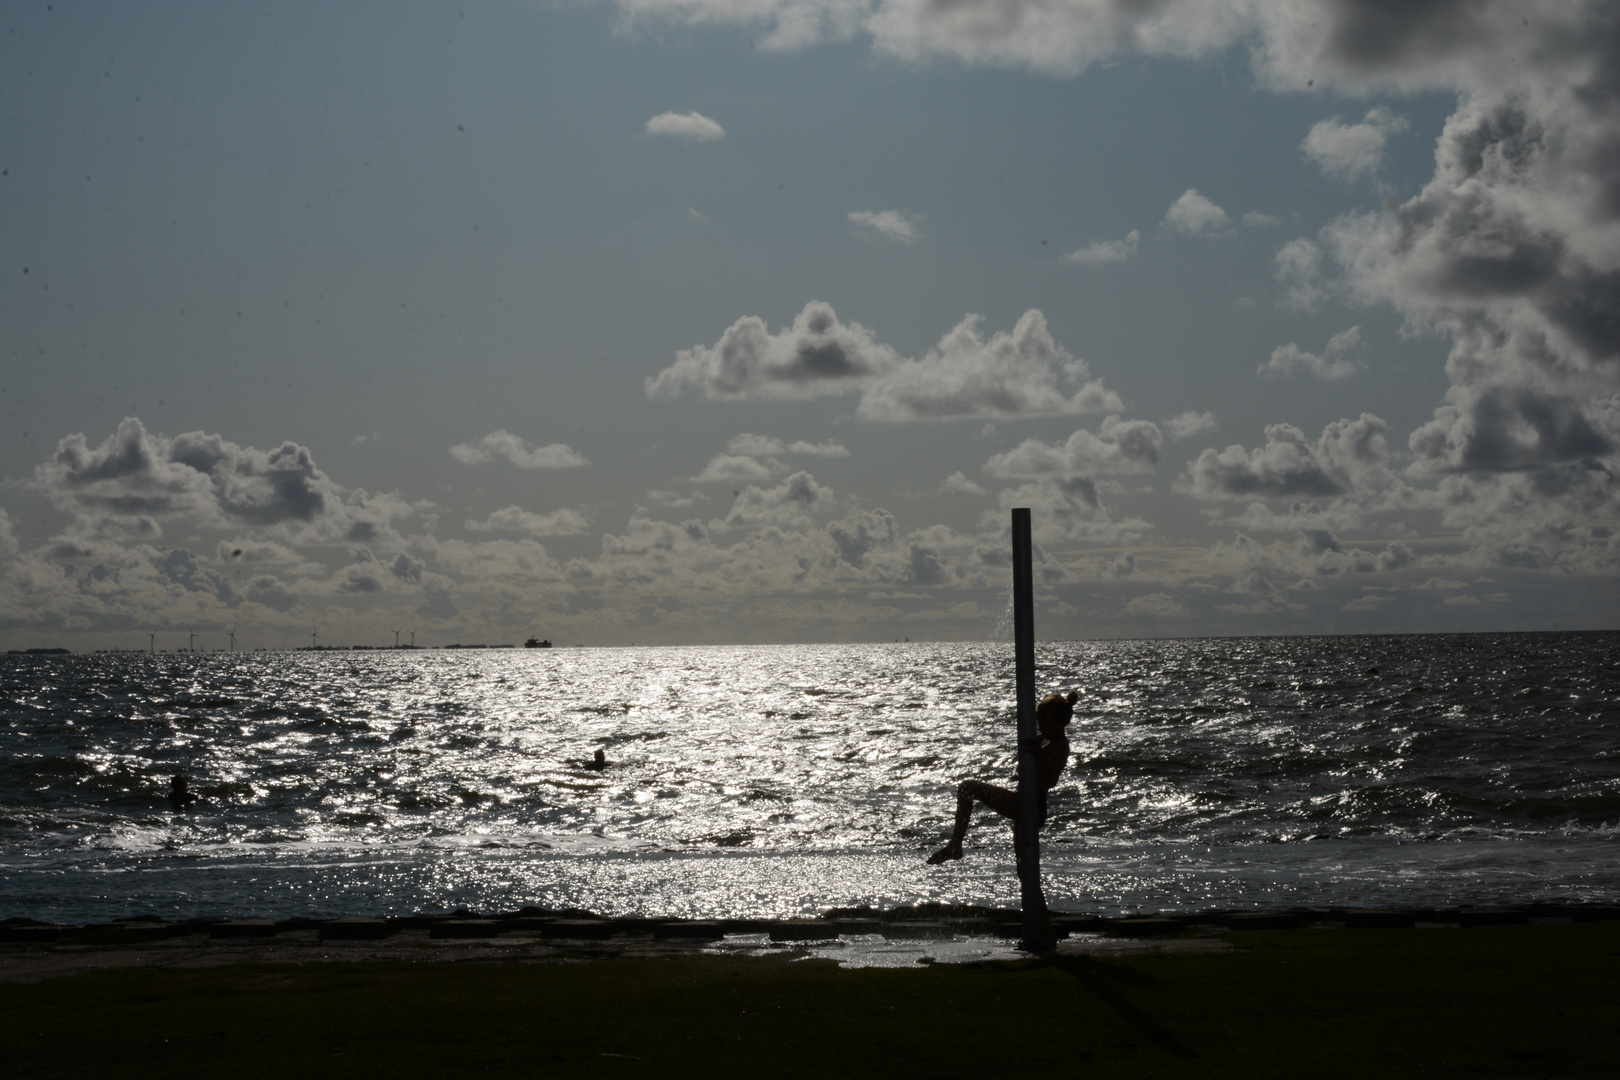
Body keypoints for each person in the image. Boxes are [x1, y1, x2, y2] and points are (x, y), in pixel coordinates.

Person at [927, 690, 1078, 866]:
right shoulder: (1042, 739)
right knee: (1023, 866)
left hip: (1033, 805)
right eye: (1039, 723)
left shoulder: (1060, 745)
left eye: (1045, 724)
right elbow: (1021, 763)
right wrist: (1016, 772)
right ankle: (955, 844)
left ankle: (955, 845)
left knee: (968, 788)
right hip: (1022, 798)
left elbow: (1051, 781)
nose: (1041, 727)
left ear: (1058, 723)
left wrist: (1040, 756)